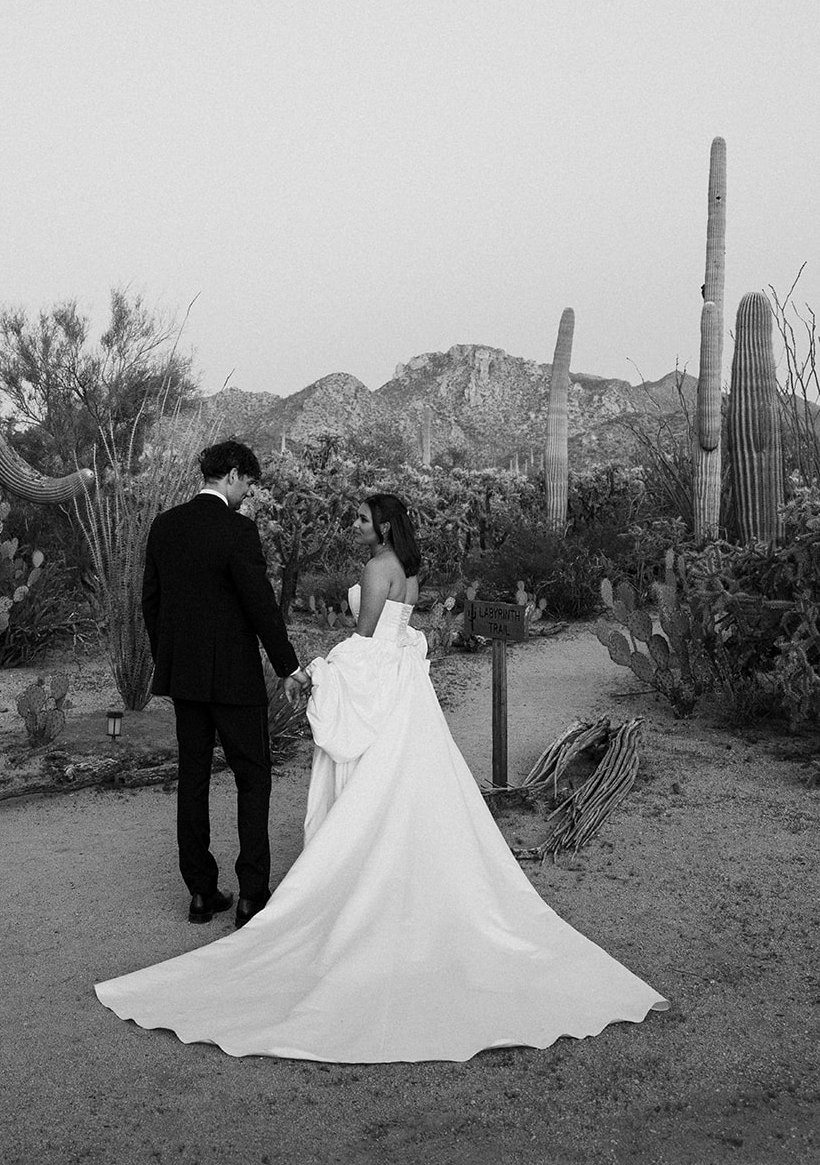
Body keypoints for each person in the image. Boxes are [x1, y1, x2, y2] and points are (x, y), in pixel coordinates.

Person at [98, 490, 668, 1061]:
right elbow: (395, 636)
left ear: (385, 527)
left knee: (311, 785)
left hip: (360, 674)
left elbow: (366, 646)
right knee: (410, 790)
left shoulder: (375, 569)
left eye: (362, 518)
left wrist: (317, 673)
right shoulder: (408, 572)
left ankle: (300, 887)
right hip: (406, 692)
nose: (354, 525)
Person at [141, 439, 301, 928]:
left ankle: (200, 893)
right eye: (248, 482)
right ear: (231, 475)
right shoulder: (238, 530)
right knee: (252, 778)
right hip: (234, 682)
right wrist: (288, 666)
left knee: (192, 780)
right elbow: (259, 605)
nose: (248, 493)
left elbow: (152, 602)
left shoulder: (165, 526)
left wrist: (171, 660)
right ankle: (252, 894)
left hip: (185, 681)